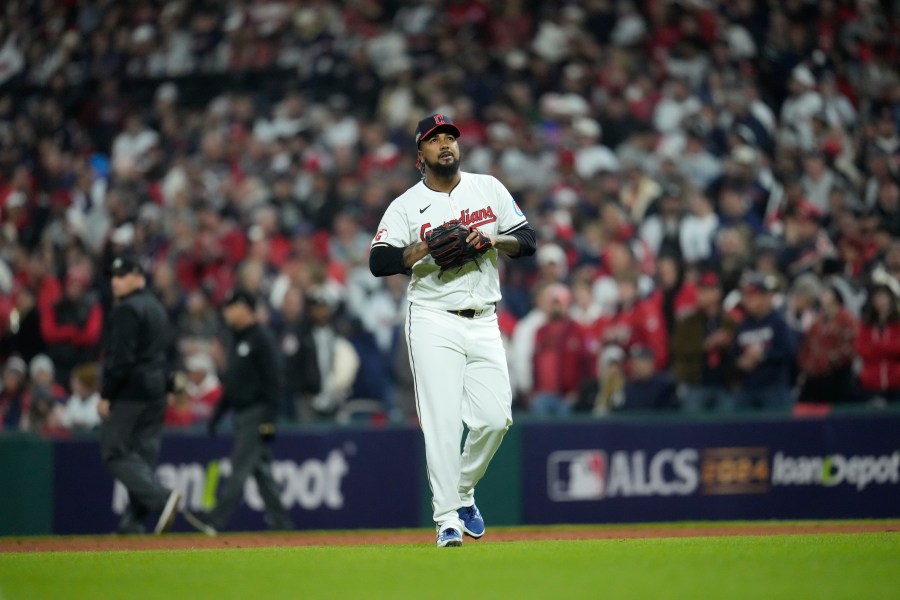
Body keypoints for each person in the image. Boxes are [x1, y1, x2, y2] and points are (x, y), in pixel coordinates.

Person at [368, 114, 536, 547]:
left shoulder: (488, 188)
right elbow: (379, 262)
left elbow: (528, 240)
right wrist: (426, 245)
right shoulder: (406, 205)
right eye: (434, 139)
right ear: (419, 155)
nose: (445, 144)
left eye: (450, 137)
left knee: (497, 419)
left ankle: (461, 491)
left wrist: (492, 240)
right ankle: (446, 519)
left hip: (483, 318)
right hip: (433, 318)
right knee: (442, 423)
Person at [184, 289, 293, 535]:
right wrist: (218, 415)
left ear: (245, 308)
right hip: (242, 414)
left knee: (239, 468)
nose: (226, 312)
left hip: (256, 413)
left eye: (231, 307)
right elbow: (233, 384)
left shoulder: (261, 338)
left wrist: (268, 419)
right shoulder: (236, 339)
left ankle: (215, 520)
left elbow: (274, 381)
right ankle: (282, 522)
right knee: (261, 471)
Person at [98, 255, 181, 535]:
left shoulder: (127, 309)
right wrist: (168, 386)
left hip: (132, 389)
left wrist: (107, 394)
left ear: (138, 277)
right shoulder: (156, 307)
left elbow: (120, 359)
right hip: (156, 388)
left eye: (122, 275)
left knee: (113, 449)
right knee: (142, 454)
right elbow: (166, 351)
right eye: (114, 276)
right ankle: (132, 523)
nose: (116, 281)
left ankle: (161, 497)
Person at [670, 270, 737, 412]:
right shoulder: (687, 321)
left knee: (726, 429)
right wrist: (705, 345)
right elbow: (677, 348)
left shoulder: (729, 321)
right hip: (696, 383)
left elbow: (737, 351)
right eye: (701, 290)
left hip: (723, 383)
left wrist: (727, 344)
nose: (702, 294)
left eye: (708, 290)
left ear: (718, 293)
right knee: (693, 429)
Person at [731, 272, 796, 411]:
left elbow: (789, 351)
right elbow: (734, 353)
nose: (748, 300)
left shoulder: (777, 322)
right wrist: (740, 362)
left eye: (753, 295)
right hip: (748, 388)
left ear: (766, 297)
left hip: (773, 388)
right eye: (746, 296)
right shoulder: (743, 325)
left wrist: (763, 356)